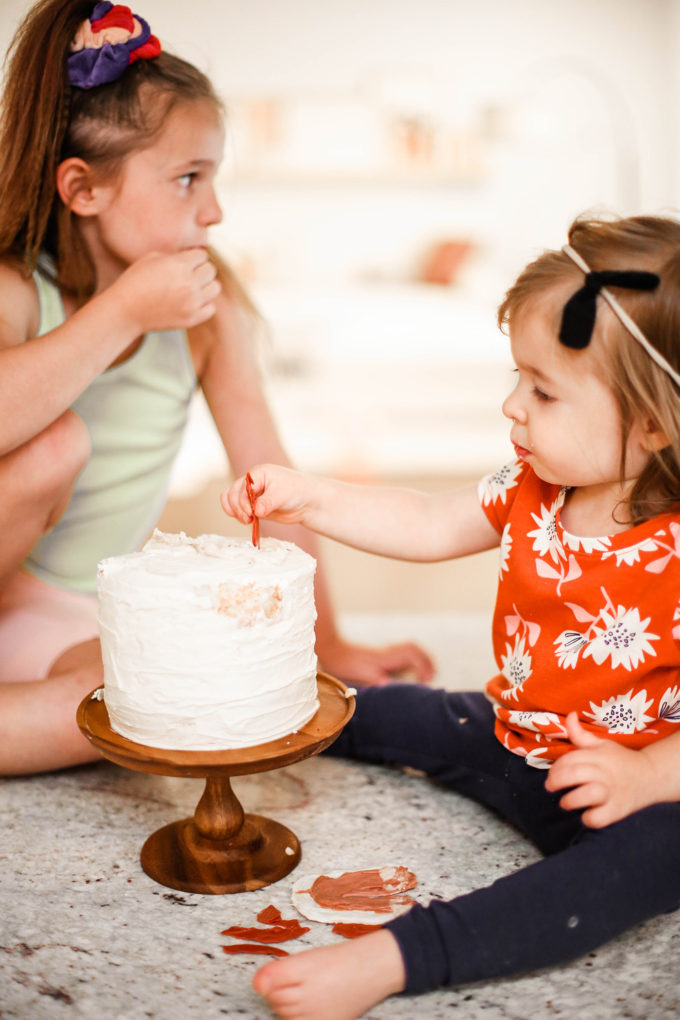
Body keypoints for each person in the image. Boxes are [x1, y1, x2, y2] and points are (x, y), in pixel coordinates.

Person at [223, 213, 680, 1020]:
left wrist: (644, 776)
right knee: (395, 714)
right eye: (518, 378)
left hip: (628, 786)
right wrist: (313, 495)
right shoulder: (535, 486)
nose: (512, 405)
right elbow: (430, 522)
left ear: (653, 424)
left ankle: (399, 956)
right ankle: (237, 714)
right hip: (511, 731)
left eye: (542, 390)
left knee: (649, 861)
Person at [0, 0, 433, 777]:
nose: (215, 210)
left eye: (215, 177)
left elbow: (272, 475)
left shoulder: (208, 313)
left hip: (74, 616)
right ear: (82, 188)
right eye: (187, 179)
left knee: (167, 686)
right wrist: (122, 311)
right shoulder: (19, 291)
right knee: (51, 445)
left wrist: (324, 644)